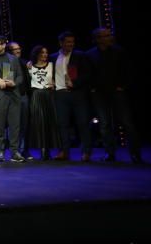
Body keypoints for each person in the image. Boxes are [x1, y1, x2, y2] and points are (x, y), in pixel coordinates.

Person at [86, 28, 142, 163]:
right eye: (105, 36)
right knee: (104, 123)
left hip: (117, 92)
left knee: (126, 122)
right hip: (99, 93)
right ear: (97, 39)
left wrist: (122, 86)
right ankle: (109, 153)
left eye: (109, 35)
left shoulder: (119, 51)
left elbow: (128, 70)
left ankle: (135, 154)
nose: (109, 37)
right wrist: (92, 88)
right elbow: (88, 74)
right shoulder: (90, 54)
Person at [49, 31, 93, 161]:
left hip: (78, 94)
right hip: (60, 95)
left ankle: (86, 152)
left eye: (72, 42)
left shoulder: (80, 55)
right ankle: (64, 151)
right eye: (68, 42)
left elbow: (87, 74)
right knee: (62, 124)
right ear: (61, 42)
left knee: (83, 123)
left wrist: (75, 83)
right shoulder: (53, 57)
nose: (71, 44)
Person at [0, 35, 26, 162]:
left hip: (13, 94)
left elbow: (20, 76)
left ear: (3, 45)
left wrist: (15, 83)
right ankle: (0, 151)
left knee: (15, 125)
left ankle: (14, 151)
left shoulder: (13, 59)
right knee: (0, 125)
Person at [27, 45, 61, 160]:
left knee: (49, 122)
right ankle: (41, 149)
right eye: (42, 53)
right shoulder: (30, 66)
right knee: (38, 123)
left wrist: (54, 83)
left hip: (48, 95)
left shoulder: (52, 65)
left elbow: (59, 78)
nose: (45, 55)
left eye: (46, 52)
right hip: (36, 95)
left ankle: (48, 149)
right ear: (36, 54)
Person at [7, 41, 32, 160]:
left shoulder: (24, 62)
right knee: (14, 126)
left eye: (19, 48)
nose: (18, 51)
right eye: (14, 49)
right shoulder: (7, 63)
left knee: (24, 125)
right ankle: (15, 151)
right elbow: (8, 81)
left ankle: (23, 150)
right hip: (13, 98)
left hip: (24, 97)